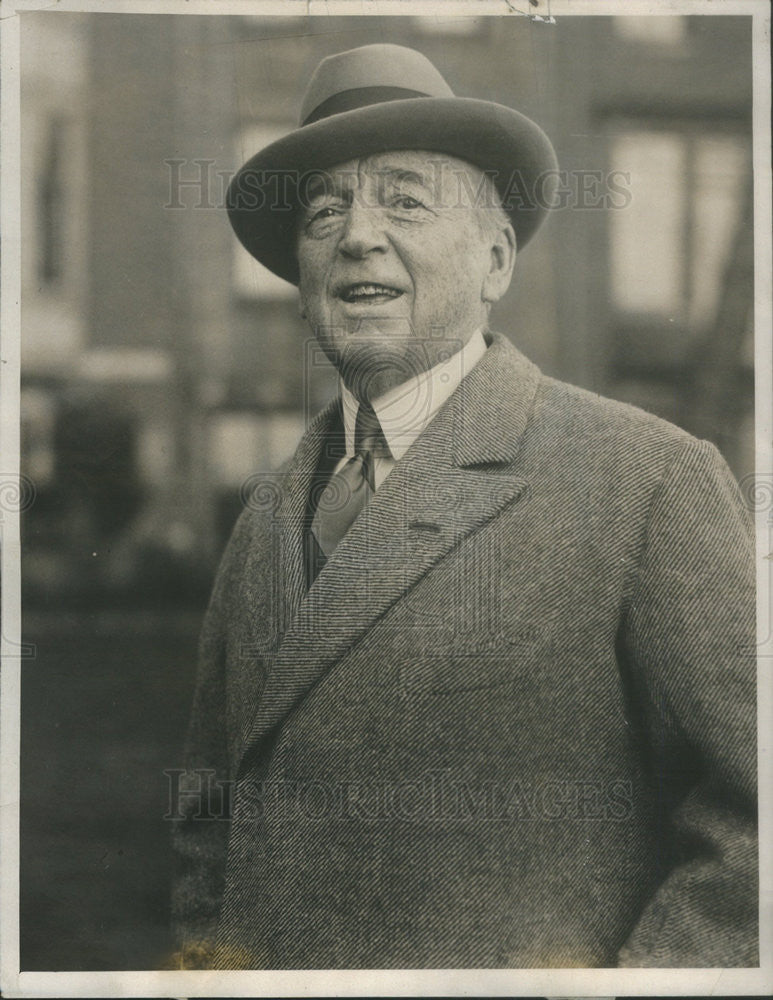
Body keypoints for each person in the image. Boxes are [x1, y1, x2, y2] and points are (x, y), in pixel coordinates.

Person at [171, 43, 757, 969]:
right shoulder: (269, 510)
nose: (357, 234)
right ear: (300, 283)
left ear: (494, 261)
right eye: (325, 211)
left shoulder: (644, 479)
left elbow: (753, 825)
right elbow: (209, 814)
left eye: (404, 200)